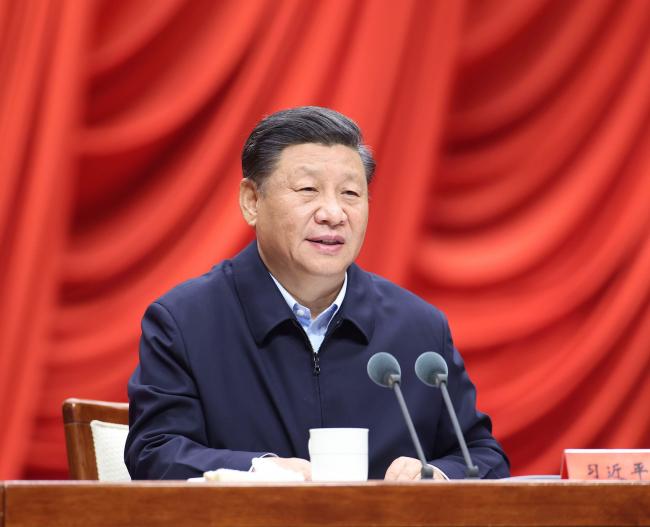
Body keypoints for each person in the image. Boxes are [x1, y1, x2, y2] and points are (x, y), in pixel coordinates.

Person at [125, 106, 510, 480]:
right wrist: (262, 471)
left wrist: (439, 475)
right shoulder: (185, 322)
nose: (333, 212)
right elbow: (155, 453)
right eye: (308, 189)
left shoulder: (419, 328)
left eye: (350, 194)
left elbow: (481, 455)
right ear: (252, 201)